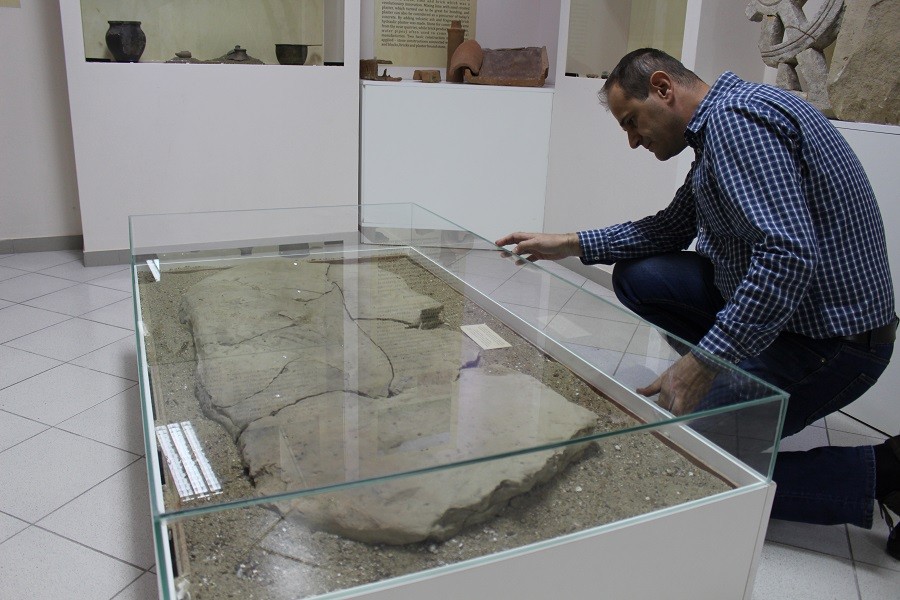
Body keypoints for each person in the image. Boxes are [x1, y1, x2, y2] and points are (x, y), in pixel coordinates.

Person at [496, 48, 900, 558]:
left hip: (833, 342)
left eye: (631, 121)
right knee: (641, 277)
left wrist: (702, 363)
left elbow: (787, 257)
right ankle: (730, 390)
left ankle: (885, 472)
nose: (632, 141)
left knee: (677, 459)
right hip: (790, 320)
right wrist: (570, 243)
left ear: (663, 88)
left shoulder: (736, 124)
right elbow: (670, 228)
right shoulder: (720, 126)